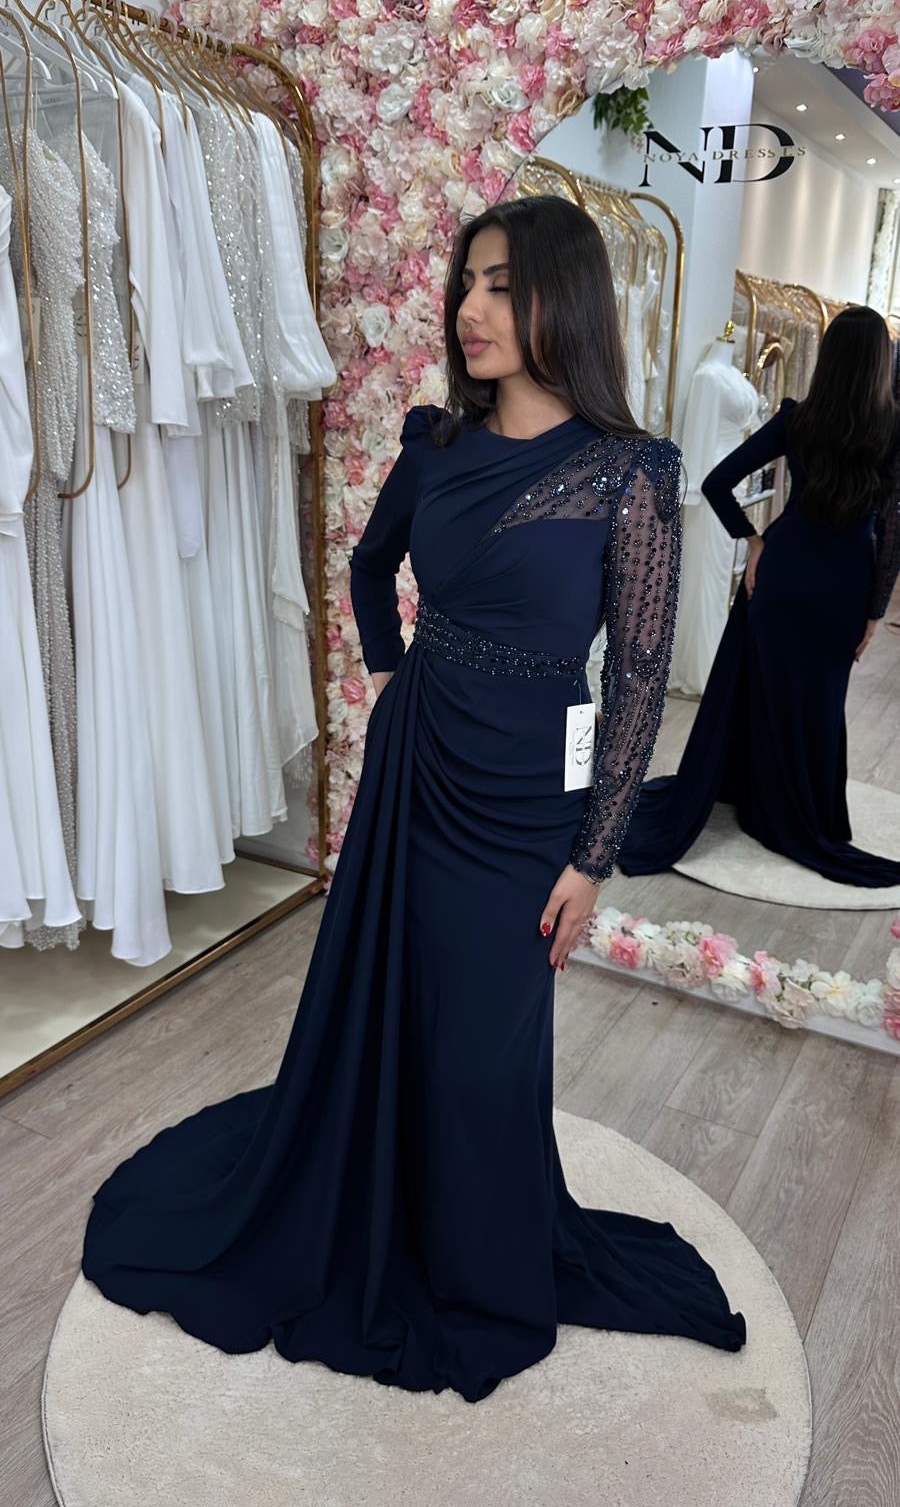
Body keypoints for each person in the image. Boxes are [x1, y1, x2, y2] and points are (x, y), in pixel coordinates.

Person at [81, 194, 746, 1406]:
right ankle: (370, 1208)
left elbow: (640, 680)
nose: (469, 308)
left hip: (525, 805)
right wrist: (392, 675)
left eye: (501, 284)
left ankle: (478, 1258)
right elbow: (368, 562)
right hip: (415, 770)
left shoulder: (630, 473)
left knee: (484, 1041)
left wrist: (594, 856)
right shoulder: (436, 444)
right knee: (390, 1004)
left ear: (564, 300)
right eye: (467, 282)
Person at [616, 304, 900, 888]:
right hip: (845, 585)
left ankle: (754, 794)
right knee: (820, 702)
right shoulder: (893, 431)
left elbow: (717, 481)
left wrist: (754, 542)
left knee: (764, 687)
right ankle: (803, 812)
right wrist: (876, 610)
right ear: (880, 363)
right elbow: (893, 532)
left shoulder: (799, 419)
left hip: (782, 574)